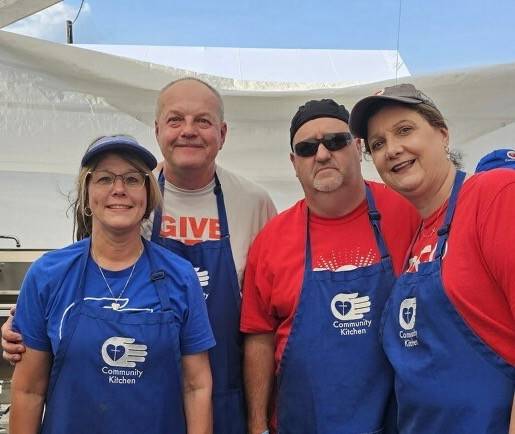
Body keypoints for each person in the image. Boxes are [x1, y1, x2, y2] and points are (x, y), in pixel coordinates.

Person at [3, 78, 277, 434]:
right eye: (176, 119)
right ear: (158, 129)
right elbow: (76, 287)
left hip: (220, 393)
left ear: (222, 133)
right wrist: (24, 322)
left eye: (203, 121)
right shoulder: (121, 204)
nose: (188, 131)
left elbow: (266, 313)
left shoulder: (253, 202)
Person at [9, 135, 215, 434]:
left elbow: (196, 386)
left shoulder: (181, 277)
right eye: (105, 179)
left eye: (132, 179)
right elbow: (28, 390)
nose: (119, 190)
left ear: (147, 195)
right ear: (87, 192)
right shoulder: (48, 275)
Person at [241, 99, 420, 434]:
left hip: (395, 422)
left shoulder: (408, 212)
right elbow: (259, 337)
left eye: (335, 142)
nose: (322, 155)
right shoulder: (271, 239)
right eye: (307, 148)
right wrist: (257, 426)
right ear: (294, 163)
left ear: (357, 147)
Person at [349, 83, 515, 433]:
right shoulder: (421, 236)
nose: (392, 149)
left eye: (405, 130)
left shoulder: (494, 195)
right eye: (377, 144)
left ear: (442, 135)